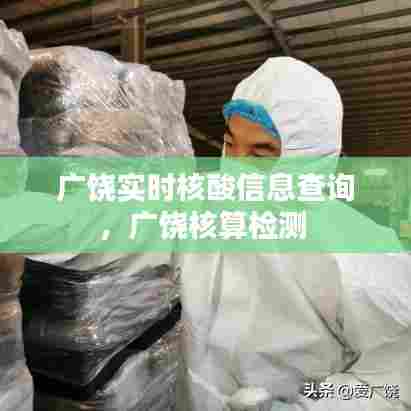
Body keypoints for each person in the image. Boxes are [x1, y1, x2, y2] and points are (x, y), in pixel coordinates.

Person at [176, 57, 411, 411]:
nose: (235, 168)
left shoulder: (357, 254)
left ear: (311, 160)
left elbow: (392, 384)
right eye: (229, 144)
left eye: (260, 153)